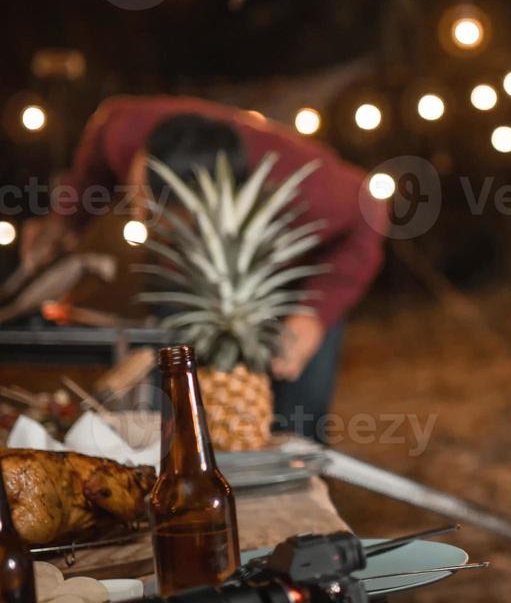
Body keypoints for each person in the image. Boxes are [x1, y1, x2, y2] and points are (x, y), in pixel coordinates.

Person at [20, 96, 386, 441]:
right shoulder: (124, 131)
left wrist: (315, 314)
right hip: (193, 280)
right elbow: (99, 144)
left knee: (296, 417)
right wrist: (66, 219)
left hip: (297, 282)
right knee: (178, 392)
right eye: (139, 196)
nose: (137, 214)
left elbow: (370, 209)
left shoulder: (312, 190)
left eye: (154, 212)